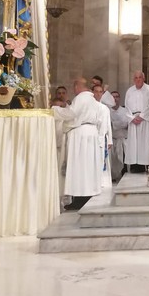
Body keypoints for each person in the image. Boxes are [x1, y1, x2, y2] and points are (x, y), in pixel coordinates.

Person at [51, 77, 101, 210]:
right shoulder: (92, 99)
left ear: (78, 86)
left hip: (81, 135)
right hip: (91, 133)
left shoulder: (81, 98)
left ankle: (80, 199)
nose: (74, 90)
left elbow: (71, 114)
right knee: (87, 167)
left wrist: (55, 110)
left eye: (74, 86)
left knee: (80, 167)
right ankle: (85, 196)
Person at [124, 71, 149, 172]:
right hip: (133, 120)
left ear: (143, 78)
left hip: (144, 119)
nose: (138, 80)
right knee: (133, 144)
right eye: (136, 78)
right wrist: (132, 118)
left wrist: (141, 116)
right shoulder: (130, 91)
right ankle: (134, 166)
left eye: (140, 77)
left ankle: (144, 165)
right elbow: (126, 106)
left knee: (143, 143)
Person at [92, 83, 113, 190]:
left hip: (102, 137)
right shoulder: (90, 106)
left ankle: (102, 181)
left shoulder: (105, 108)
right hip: (92, 137)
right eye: (96, 91)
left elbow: (108, 124)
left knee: (102, 160)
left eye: (101, 92)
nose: (98, 94)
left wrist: (109, 139)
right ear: (92, 93)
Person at [108, 90, 129, 182]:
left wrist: (115, 123)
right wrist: (119, 123)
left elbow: (126, 123)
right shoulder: (107, 111)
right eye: (113, 97)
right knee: (113, 162)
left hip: (123, 140)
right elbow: (109, 125)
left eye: (117, 97)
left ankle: (124, 179)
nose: (115, 99)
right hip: (112, 141)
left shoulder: (125, 111)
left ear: (119, 98)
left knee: (123, 162)